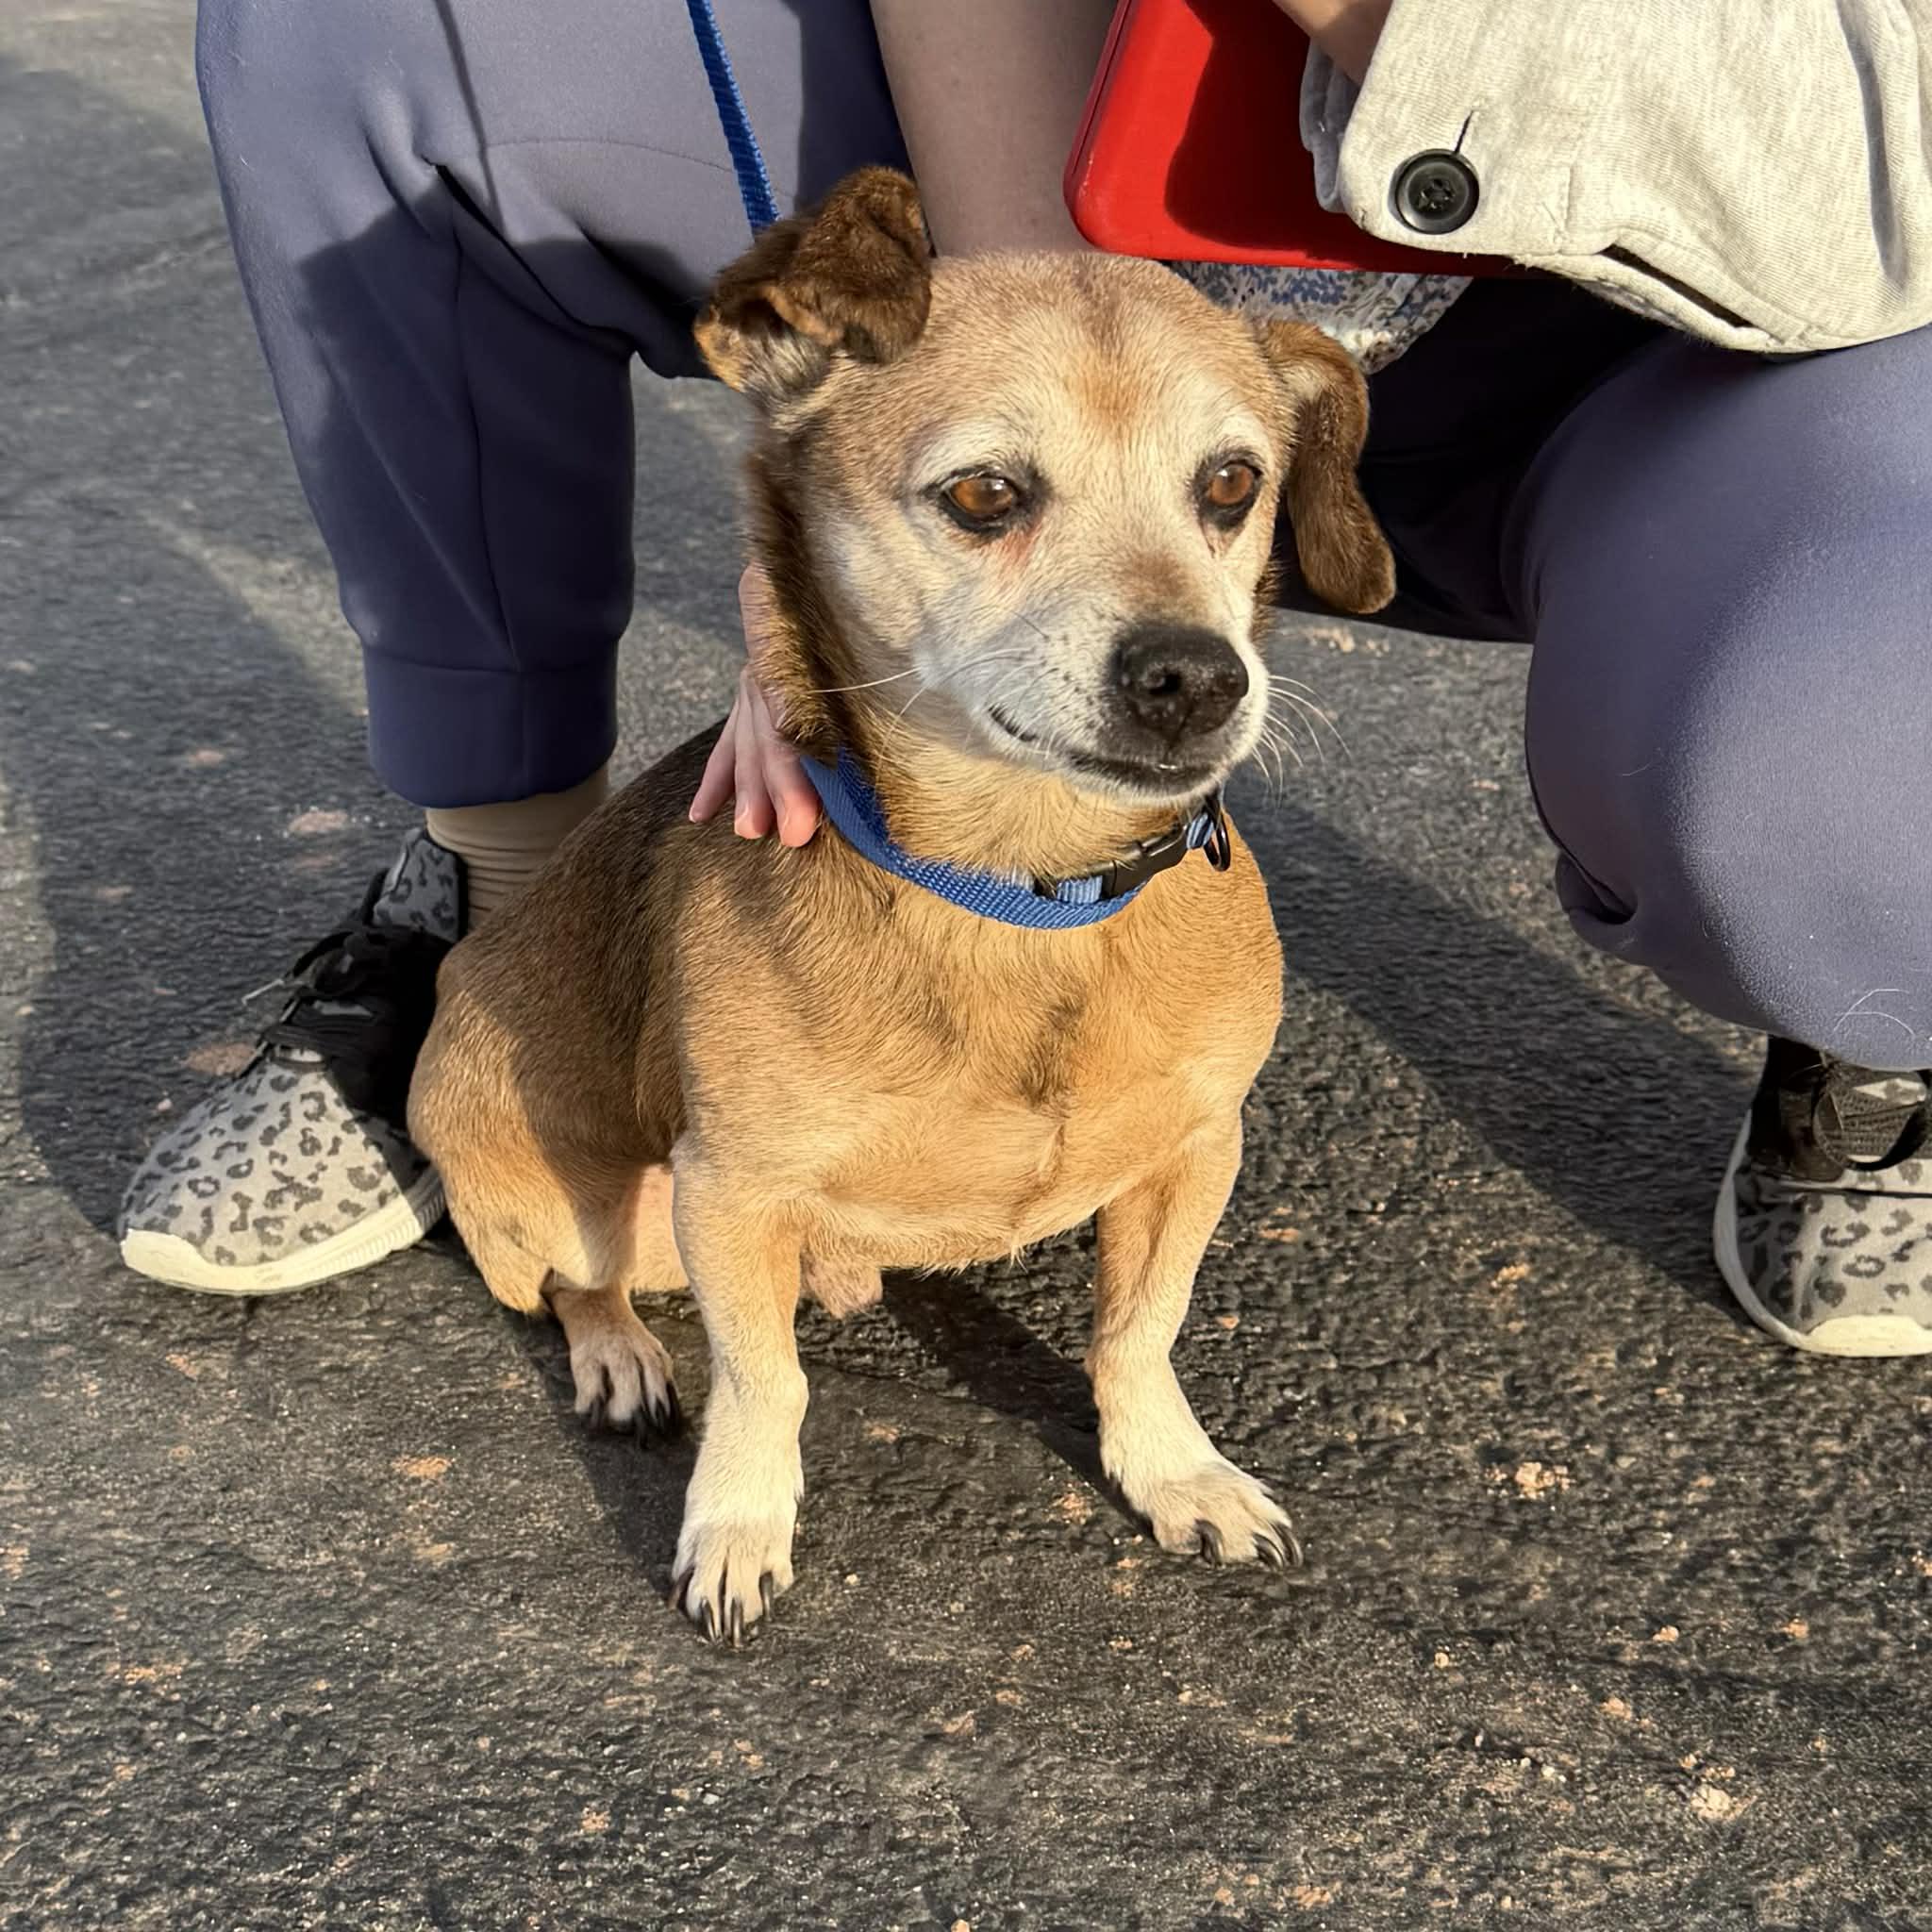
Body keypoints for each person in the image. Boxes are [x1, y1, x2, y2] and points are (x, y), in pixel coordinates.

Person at [123, 0, 1932, 1357]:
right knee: (362, 27)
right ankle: (523, 937)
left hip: (1756, 305)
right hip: (1098, 136)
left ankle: (1868, 1012)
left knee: (1856, 781)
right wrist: (918, 444)